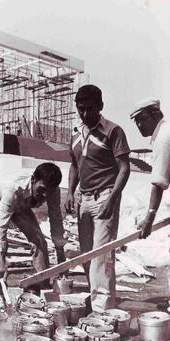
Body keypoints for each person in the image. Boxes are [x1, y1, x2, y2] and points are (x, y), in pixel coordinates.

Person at [65, 84, 130, 313]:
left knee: (101, 255)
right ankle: (99, 302)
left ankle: (100, 313)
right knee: (86, 254)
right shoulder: (75, 133)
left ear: (100, 106)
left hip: (105, 196)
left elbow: (124, 168)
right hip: (83, 198)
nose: (84, 113)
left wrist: (112, 199)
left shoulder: (113, 131)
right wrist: (70, 192)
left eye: (90, 108)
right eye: (80, 108)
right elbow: (74, 165)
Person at [0, 162, 66, 293]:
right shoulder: (12, 188)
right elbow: (0, 229)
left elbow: (56, 218)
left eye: (49, 191)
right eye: (41, 190)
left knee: (39, 240)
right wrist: (2, 264)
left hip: (22, 207)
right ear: (33, 180)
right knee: (0, 246)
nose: (45, 196)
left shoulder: (53, 190)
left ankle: (42, 283)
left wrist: (60, 253)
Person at [130, 98, 168, 239]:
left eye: (143, 119)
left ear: (157, 115)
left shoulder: (163, 137)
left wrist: (149, 218)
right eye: (136, 121)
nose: (139, 125)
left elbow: (159, 183)